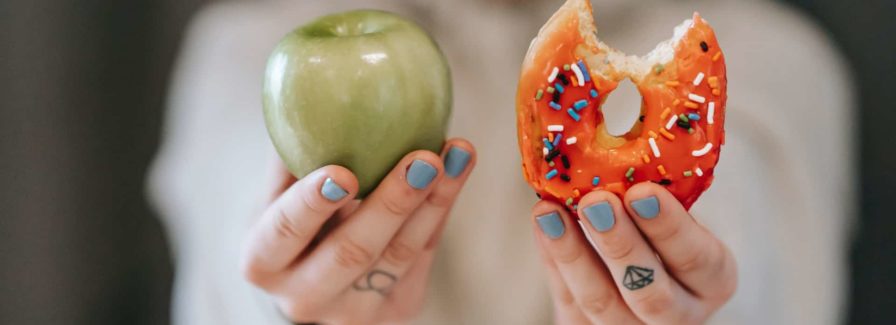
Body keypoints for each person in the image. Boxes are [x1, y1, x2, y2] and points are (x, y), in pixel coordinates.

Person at [148, 0, 854, 323]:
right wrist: (287, 301)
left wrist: (689, 302)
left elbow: (749, 237)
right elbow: (235, 222)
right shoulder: (247, 46)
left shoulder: (770, 55)